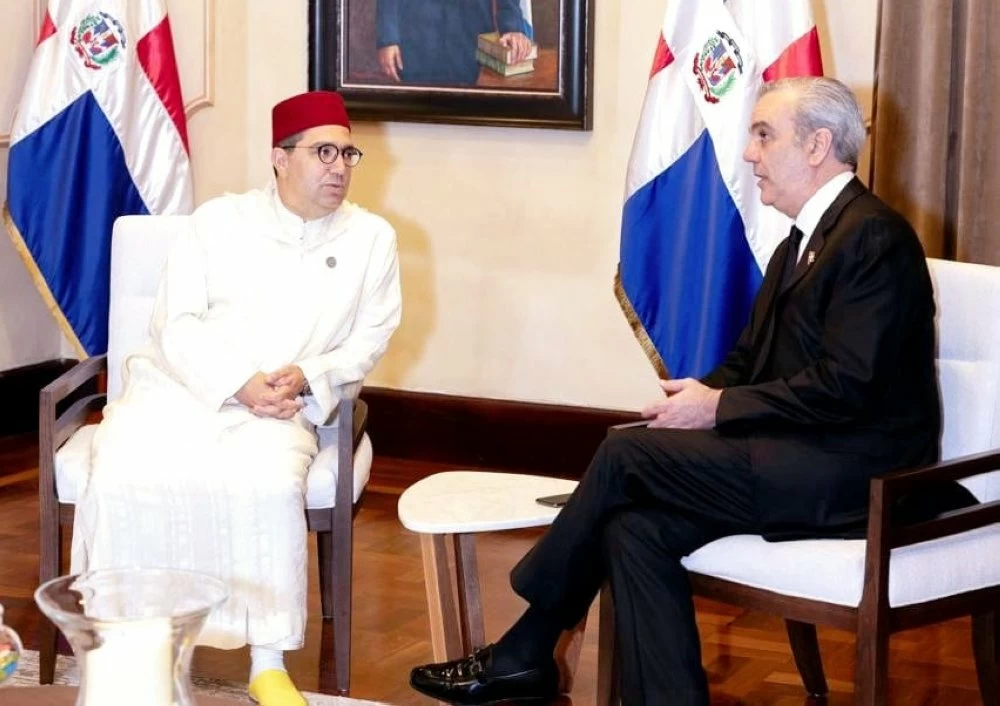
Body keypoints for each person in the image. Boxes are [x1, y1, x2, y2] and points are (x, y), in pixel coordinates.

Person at [408, 77, 977, 706]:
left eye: (764, 134)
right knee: (634, 524)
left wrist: (719, 408)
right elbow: (749, 360)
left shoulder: (873, 237)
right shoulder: (802, 242)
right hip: (803, 455)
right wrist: (698, 395)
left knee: (625, 455)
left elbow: (849, 385)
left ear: (818, 145)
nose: (748, 153)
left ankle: (526, 646)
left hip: (859, 474)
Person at [70, 91, 401, 706]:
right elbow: (177, 323)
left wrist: (306, 374)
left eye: (347, 152)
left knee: (268, 483)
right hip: (181, 392)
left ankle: (268, 663)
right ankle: (134, 649)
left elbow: (370, 337)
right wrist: (236, 383)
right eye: (322, 151)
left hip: (283, 407)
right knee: (122, 469)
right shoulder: (217, 223)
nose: (339, 166)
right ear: (279, 158)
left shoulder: (371, 239)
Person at [376, 0, 533, 85]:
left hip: (469, 39)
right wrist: (387, 38)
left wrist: (512, 27)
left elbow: (508, 6)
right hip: (417, 39)